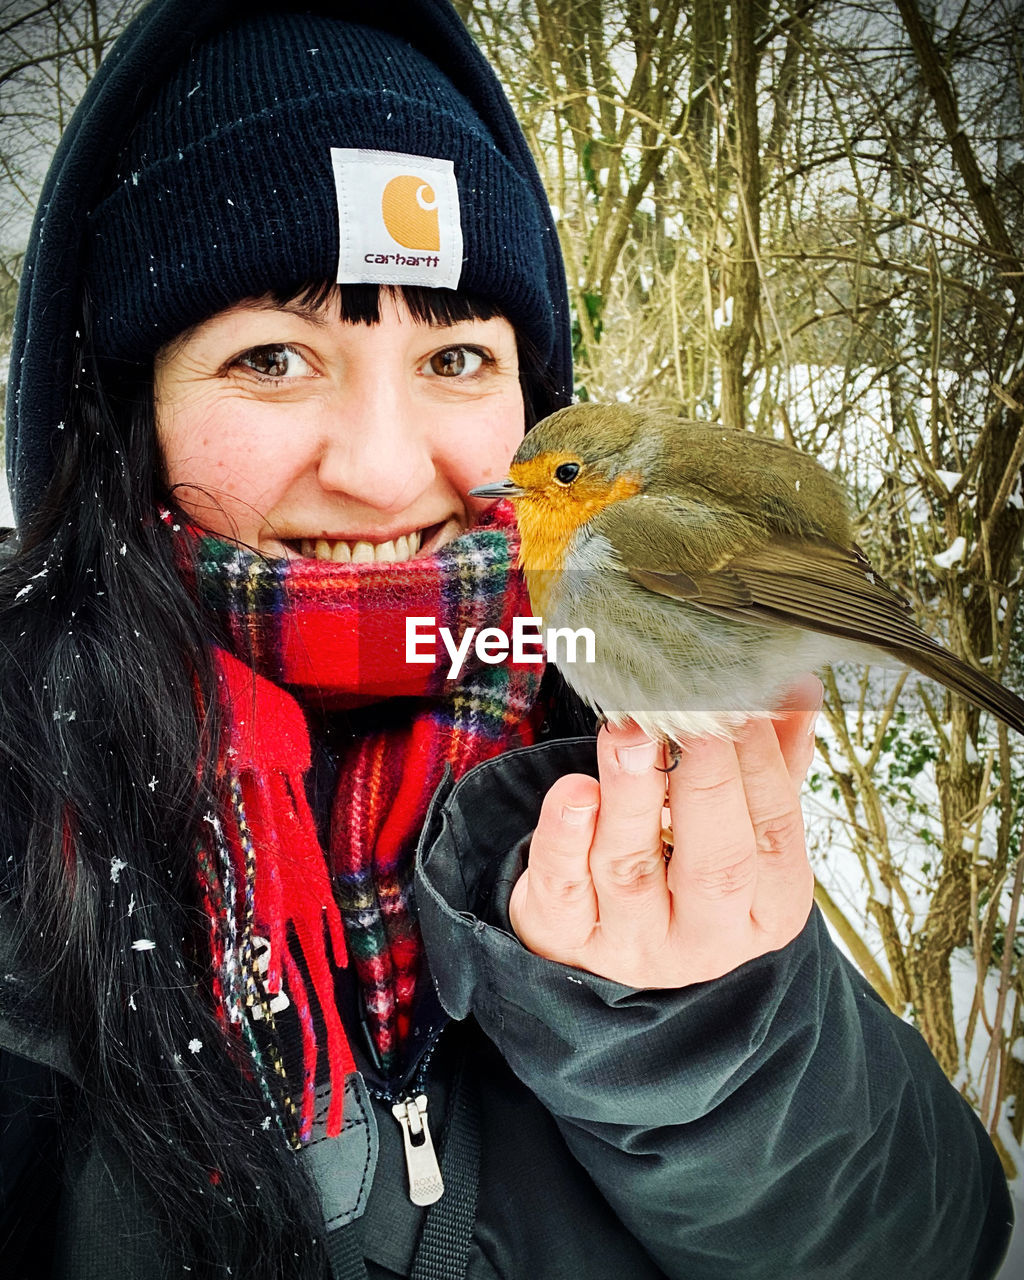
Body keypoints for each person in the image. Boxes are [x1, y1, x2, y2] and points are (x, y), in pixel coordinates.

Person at [0, 2, 1013, 1278]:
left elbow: (936, 1243)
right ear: (117, 415)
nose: (381, 472)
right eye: (272, 356)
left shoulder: (609, 738)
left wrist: (717, 1045)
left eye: (459, 354)